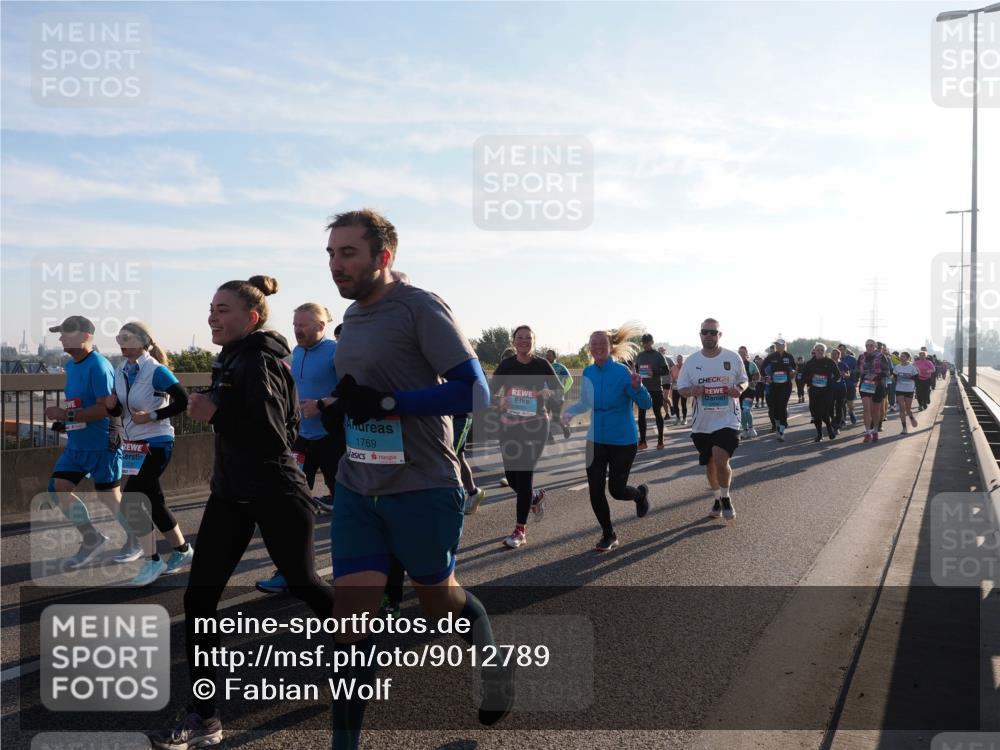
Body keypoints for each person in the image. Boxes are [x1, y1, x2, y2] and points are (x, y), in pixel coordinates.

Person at [319, 209, 512, 750]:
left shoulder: (419, 306)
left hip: (422, 484)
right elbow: (366, 388)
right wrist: (342, 406)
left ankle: (492, 658)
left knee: (439, 605)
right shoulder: (352, 315)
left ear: (383, 257)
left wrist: (387, 404)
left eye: (348, 253)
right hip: (358, 484)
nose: (336, 265)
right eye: (331, 254)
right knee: (350, 621)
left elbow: (474, 392)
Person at [151, 276, 336, 750]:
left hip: (276, 492)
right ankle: (205, 717)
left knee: (305, 585)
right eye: (211, 308)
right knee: (199, 602)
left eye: (223, 309)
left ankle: (359, 649)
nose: (212, 317)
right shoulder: (232, 357)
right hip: (231, 495)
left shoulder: (258, 360)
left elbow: (276, 438)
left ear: (251, 317)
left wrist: (216, 413)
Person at [256, 302, 344, 595]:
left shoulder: (335, 352)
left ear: (321, 325)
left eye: (303, 325)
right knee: (291, 507)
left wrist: (322, 405)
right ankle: (289, 572)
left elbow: (351, 391)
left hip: (332, 439)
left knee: (347, 509)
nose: (297, 330)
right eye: (295, 325)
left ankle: (351, 570)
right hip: (300, 439)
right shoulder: (295, 352)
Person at [107, 322, 193, 586]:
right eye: (119, 338)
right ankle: (182, 550)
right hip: (134, 445)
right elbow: (121, 411)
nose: (122, 343)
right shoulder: (120, 370)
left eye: (127, 338)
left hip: (157, 442)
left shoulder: (156, 370)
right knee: (154, 501)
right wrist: (112, 407)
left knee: (131, 499)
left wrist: (153, 415)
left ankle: (152, 560)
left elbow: (184, 401)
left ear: (143, 341)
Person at [43, 315, 132, 569]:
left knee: (110, 498)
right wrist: (66, 419)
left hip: (103, 444)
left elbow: (105, 409)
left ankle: (138, 541)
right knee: (58, 487)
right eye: (60, 333)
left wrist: (66, 415)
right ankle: (92, 538)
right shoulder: (71, 366)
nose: (61, 338)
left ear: (85, 336)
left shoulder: (99, 366)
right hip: (78, 443)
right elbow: (80, 403)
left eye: (66, 333)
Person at [561, 323, 651, 551]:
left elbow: (646, 404)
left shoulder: (623, 372)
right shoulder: (588, 372)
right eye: (594, 344)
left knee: (617, 491)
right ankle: (608, 534)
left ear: (611, 346)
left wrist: (638, 388)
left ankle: (639, 495)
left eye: (602, 343)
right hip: (595, 441)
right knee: (595, 491)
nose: (598, 347)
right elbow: (585, 402)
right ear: (589, 348)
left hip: (623, 441)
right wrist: (569, 412)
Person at [489, 325, 560, 548]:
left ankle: (520, 530)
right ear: (513, 341)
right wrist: (498, 401)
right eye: (520, 337)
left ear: (533, 341)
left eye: (528, 338)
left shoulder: (542, 364)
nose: (524, 341)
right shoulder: (507, 365)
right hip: (509, 426)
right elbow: (488, 392)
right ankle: (534, 496)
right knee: (512, 478)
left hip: (536, 425)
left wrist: (549, 393)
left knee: (525, 473)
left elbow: (559, 390)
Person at [675, 318, 748, 520]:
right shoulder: (691, 362)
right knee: (710, 464)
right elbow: (681, 389)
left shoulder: (732, 357)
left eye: (713, 332)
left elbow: (744, 380)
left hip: (728, 419)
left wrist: (739, 389)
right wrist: (692, 391)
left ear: (719, 335)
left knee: (720, 458)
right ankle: (717, 498)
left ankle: (726, 498)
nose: (708, 335)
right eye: (705, 332)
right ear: (700, 335)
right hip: (702, 423)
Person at [800, 343, 842, 442]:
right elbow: (803, 377)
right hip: (814, 391)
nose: (819, 352)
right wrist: (810, 378)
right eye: (817, 350)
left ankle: (829, 428)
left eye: (822, 350)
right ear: (814, 351)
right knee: (815, 413)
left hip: (827, 391)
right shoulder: (809, 363)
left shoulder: (830, 362)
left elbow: (837, 375)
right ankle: (819, 434)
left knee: (824, 411)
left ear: (825, 351)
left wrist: (830, 380)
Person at [634, 333, 669, 449]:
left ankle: (660, 440)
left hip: (656, 389)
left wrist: (654, 373)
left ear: (652, 342)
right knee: (641, 415)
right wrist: (636, 375)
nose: (646, 345)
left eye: (648, 343)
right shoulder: (639, 356)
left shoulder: (658, 355)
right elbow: (636, 369)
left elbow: (666, 371)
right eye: (644, 343)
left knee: (657, 413)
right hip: (643, 389)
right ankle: (643, 441)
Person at [857, 338, 892, 443]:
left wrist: (876, 376)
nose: (869, 347)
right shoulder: (861, 357)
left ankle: (875, 430)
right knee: (866, 409)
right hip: (865, 385)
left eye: (871, 345)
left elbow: (887, 371)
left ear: (875, 347)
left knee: (875, 410)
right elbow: (857, 369)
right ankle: (868, 432)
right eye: (867, 345)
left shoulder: (881, 357)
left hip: (877, 385)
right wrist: (854, 378)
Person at [763, 338, 796, 442]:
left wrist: (792, 372)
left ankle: (781, 431)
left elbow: (794, 368)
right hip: (774, 386)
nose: (778, 346)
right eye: (776, 345)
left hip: (786, 386)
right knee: (775, 408)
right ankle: (778, 426)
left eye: (780, 345)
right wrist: (766, 377)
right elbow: (762, 368)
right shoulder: (771, 356)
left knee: (782, 406)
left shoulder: (789, 356)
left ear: (784, 346)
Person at [545, 349, 574, 440]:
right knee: (544, 417)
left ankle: (565, 428)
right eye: (546, 355)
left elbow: (570, 380)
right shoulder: (543, 367)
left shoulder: (560, 367)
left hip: (557, 398)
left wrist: (562, 391)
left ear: (555, 357)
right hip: (546, 397)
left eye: (549, 355)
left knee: (556, 419)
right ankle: (549, 435)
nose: (547, 357)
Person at [893, 351, 919, 433]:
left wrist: (907, 377)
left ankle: (911, 417)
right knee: (902, 408)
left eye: (903, 356)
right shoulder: (897, 367)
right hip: (899, 389)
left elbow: (916, 378)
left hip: (909, 389)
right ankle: (904, 428)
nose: (901, 358)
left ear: (908, 358)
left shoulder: (912, 367)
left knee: (908, 409)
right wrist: (895, 378)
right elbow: (894, 377)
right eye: (901, 356)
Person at [737, 346, 759, 438]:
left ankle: (751, 428)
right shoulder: (735, 364)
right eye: (740, 352)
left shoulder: (751, 364)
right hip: (739, 391)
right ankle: (744, 430)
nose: (742, 354)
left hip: (749, 390)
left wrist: (754, 382)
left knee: (746, 410)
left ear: (747, 353)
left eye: (743, 352)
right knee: (742, 412)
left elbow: (757, 376)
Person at [837, 344, 859, 425]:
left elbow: (857, 370)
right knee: (841, 403)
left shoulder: (852, 359)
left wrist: (856, 381)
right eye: (839, 349)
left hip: (850, 384)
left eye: (842, 349)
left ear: (845, 350)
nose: (841, 351)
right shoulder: (836, 359)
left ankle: (851, 412)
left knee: (850, 403)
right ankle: (843, 419)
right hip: (839, 385)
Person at [829, 347, 848, 430]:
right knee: (830, 406)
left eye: (835, 354)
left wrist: (844, 374)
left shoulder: (842, 364)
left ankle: (838, 423)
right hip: (830, 388)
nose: (833, 355)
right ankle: (833, 420)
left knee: (839, 406)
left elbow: (848, 374)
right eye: (832, 354)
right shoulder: (828, 364)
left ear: (839, 355)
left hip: (841, 388)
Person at [657, 346, 675, 419]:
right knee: (663, 399)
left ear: (665, 351)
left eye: (662, 351)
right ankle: (667, 414)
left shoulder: (668, 359)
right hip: (659, 382)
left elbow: (674, 369)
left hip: (667, 380)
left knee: (665, 397)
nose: (661, 352)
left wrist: (673, 378)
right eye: (660, 351)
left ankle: (672, 407)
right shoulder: (656, 360)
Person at [670, 354, 688, 425]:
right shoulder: (673, 368)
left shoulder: (685, 367)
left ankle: (684, 419)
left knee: (683, 404)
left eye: (680, 359)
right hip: (675, 388)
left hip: (683, 388)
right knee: (675, 404)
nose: (679, 360)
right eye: (678, 359)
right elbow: (671, 378)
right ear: (676, 360)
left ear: (682, 360)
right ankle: (678, 418)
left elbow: (688, 377)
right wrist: (673, 380)